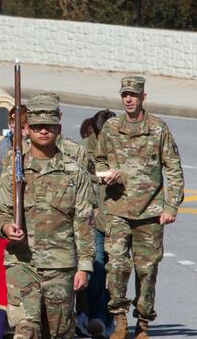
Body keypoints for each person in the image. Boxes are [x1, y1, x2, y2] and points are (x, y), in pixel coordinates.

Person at [0, 93, 95, 338]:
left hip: (60, 266)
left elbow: (83, 222)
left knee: (59, 332)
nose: (43, 132)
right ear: (27, 129)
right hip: (21, 263)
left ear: (58, 128)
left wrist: (84, 267)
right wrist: (6, 228)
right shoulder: (12, 172)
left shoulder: (75, 173)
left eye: (49, 126)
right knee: (25, 330)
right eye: (37, 126)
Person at [95, 76, 184, 339]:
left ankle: (143, 323)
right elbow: (97, 162)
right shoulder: (111, 128)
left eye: (133, 94)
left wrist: (171, 206)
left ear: (143, 96)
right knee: (117, 267)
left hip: (150, 213)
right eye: (125, 95)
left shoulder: (158, 129)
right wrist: (105, 174)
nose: (129, 99)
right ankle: (119, 320)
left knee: (146, 271)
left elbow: (174, 169)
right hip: (117, 209)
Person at [76, 109, 117, 339]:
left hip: (118, 217)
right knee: (97, 267)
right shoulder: (83, 150)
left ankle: (108, 317)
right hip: (93, 217)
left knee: (116, 270)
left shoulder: (123, 147)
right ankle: (95, 317)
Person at [0, 106, 29, 181]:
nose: (19, 132)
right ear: (9, 125)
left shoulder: (40, 147)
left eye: (22, 128)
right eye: (14, 128)